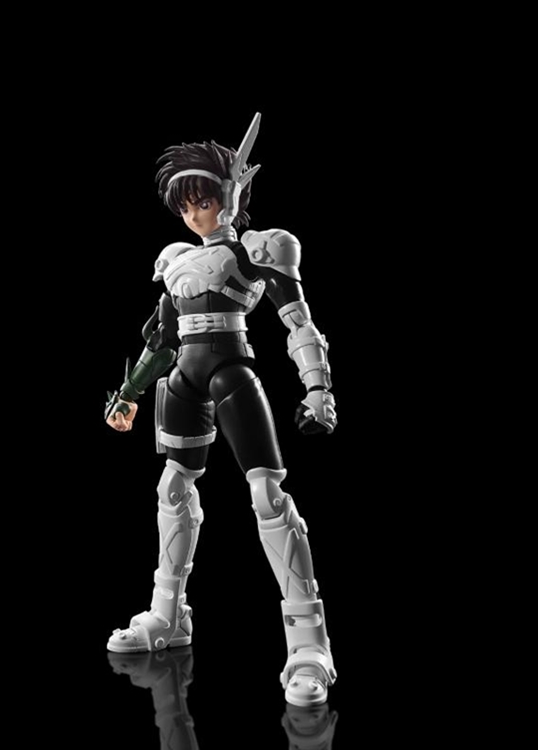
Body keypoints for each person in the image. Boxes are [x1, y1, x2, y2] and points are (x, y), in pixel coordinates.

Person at [104, 113, 338, 707]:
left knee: (267, 494)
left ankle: (309, 644)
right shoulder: (175, 261)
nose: (194, 214)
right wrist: (130, 392)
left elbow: (298, 322)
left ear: (231, 196)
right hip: (183, 378)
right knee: (172, 488)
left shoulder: (258, 249)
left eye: (203, 201)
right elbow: (161, 338)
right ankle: (168, 615)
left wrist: (317, 389)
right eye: (186, 205)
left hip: (233, 372)